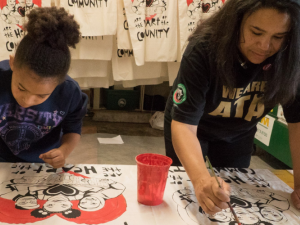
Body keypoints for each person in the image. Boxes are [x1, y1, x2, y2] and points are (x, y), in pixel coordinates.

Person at [164, 0, 300, 215]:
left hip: (239, 134)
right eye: (256, 32)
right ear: (236, 22)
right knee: (190, 198)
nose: (265, 46)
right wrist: (200, 181)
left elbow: (298, 123)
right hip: (192, 129)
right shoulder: (204, 47)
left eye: (278, 37)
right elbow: (184, 125)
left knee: (231, 201)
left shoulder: (292, 56)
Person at [0, 7, 87, 168]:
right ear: (12, 63)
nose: (27, 101)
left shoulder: (69, 92)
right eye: (21, 87)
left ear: (60, 84)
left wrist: (64, 152)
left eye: (41, 96)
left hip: (43, 165)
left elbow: (73, 129)